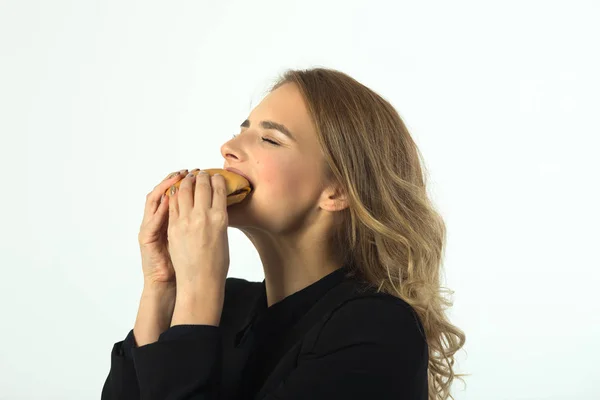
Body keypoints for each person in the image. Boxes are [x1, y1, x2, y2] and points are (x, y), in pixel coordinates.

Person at [101, 68, 467, 400]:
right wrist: (161, 285)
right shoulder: (227, 306)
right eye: (241, 130)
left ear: (337, 190)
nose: (228, 149)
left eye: (270, 139)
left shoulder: (377, 330)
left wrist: (198, 289)